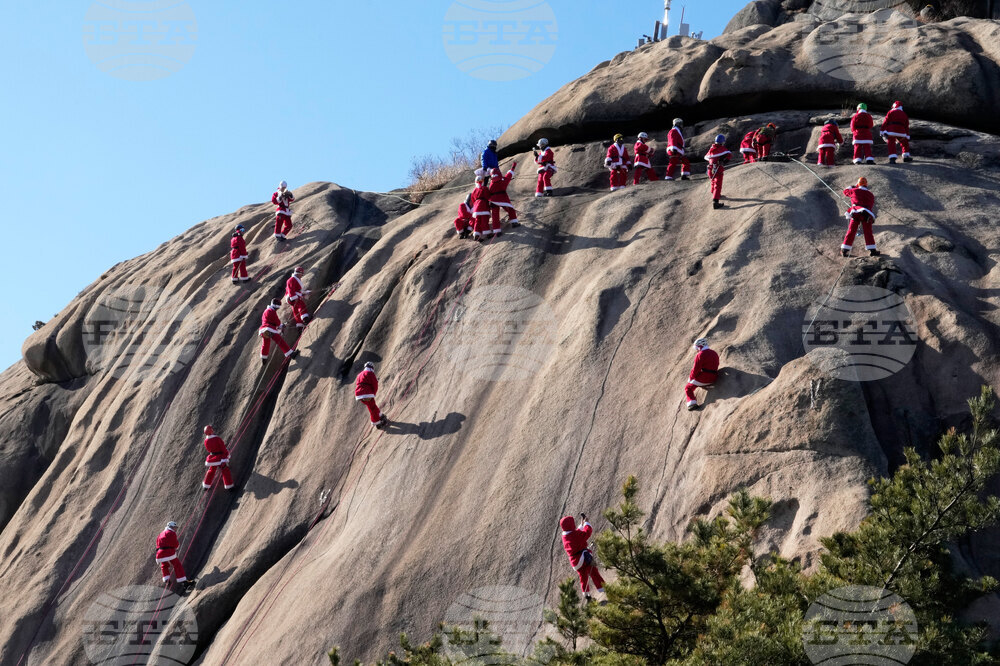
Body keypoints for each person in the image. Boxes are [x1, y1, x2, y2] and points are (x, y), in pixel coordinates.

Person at [559, 513, 605, 603]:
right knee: (594, 572)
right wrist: (586, 523)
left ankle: (587, 596)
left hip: (575, 562)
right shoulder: (575, 535)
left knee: (583, 578)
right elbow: (587, 533)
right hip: (583, 558)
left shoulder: (565, 536)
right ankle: (604, 588)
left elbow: (576, 533)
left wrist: (582, 524)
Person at [841, 177, 879, 257]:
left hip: (856, 212)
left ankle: (845, 250)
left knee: (851, 231)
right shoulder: (871, 194)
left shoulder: (854, 190)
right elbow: (871, 205)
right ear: (866, 185)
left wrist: (853, 187)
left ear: (858, 184)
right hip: (867, 213)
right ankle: (872, 250)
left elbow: (845, 192)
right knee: (868, 232)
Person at [259, 298, 299, 365]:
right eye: (277, 308)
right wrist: (281, 325)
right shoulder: (271, 311)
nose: (277, 310)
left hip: (264, 330)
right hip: (269, 329)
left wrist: (279, 326)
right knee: (280, 341)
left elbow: (271, 322)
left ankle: (264, 357)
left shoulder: (266, 311)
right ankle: (291, 354)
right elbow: (276, 321)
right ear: (276, 306)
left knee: (265, 344)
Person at [155, 522, 194, 591]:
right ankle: (184, 582)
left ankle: (167, 579)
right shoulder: (171, 533)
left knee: (164, 565)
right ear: (172, 527)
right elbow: (175, 543)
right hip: (168, 552)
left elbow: (157, 544)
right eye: (175, 527)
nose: (176, 529)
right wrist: (175, 547)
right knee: (177, 564)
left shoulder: (161, 534)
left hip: (159, 553)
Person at [685, 338, 719, 411]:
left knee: (688, 388)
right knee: (698, 382)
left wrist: (690, 378)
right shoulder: (714, 353)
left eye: (696, 348)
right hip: (714, 377)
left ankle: (692, 404)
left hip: (705, 378)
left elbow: (695, 369)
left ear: (699, 346)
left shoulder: (700, 355)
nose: (696, 350)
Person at [488, 164, 519, 235]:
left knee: (495, 215)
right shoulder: (504, 180)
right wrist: (513, 166)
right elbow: (509, 174)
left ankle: (496, 231)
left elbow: (489, 192)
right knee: (511, 209)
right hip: (502, 198)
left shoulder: (491, 183)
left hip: (493, 200)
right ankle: (514, 222)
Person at [355, 361, 387, 429]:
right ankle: (377, 422)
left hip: (359, 395)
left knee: (371, 406)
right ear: (371, 368)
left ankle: (379, 415)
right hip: (367, 394)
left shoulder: (359, 374)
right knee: (373, 408)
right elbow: (375, 384)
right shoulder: (370, 373)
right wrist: (374, 393)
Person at [201, 425, 234, 491]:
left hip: (212, 457)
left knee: (211, 470)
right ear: (212, 430)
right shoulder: (217, 439)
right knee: (225, 470)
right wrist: (227, 454)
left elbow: (208, 450)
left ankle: (206, 485)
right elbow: (223, 448)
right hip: (220, 457)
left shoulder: (206, 441)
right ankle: (229, 486)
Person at [704, 135, 732, 210]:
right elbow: (729, 154)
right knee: (718, 185)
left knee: (713, 181)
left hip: (710, 169)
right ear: (722, 142)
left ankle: (714, 193)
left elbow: (708, 157)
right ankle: (715, 202)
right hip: (717, 169)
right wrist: (724, 160)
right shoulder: (721, 148)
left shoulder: (711, 148)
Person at [470, 170, 493, 242]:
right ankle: (487, 233)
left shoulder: (474, 190)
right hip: (483, 205)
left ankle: (476, 234)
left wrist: (475, 204)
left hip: (476, 207)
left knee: (477, 221)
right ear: (482, 181)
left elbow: (473, 199)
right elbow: (488, 197)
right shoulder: (485, 188)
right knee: (484, 220)